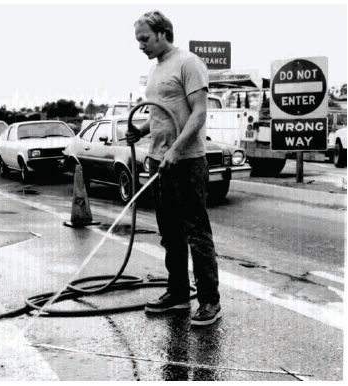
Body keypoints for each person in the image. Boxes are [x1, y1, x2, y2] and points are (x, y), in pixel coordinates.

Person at [126, 10, 221, 326]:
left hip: (188, 161)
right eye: (138, 40)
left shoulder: (189, 63)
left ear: (163, 33)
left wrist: (176, 150)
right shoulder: (155, 71)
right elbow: (160, 115)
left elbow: (199, 114)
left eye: (144, 39)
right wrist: (140, 132)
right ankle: (178, 294)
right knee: (170, 233)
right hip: (159, 161)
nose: (141, 46)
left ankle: (209, 301)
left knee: (197, 232)